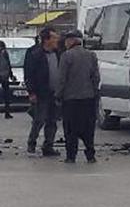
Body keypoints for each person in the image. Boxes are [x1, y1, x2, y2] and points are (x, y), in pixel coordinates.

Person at [56, 30, 100, 164]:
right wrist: (93, 91)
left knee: (70, 129)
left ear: (70, 41)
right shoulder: (91, 55)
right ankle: (90, 155)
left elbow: (62, 79)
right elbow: (96, 77)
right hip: (88, 98)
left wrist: (58, 95)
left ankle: (71, 156)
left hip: (70, 99)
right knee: (88, 128)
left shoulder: (66, 56)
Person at [24, 27, 61, 157]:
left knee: (52, 121)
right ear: (46, 40)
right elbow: (28, 74)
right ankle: (31, 144)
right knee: (39, 120)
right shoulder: (34, 53)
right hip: (41, 93)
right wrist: (31, 92)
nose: (57, 40)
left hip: (55, 93)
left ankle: (48, 146)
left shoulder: (58, 53)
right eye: (54, 38)